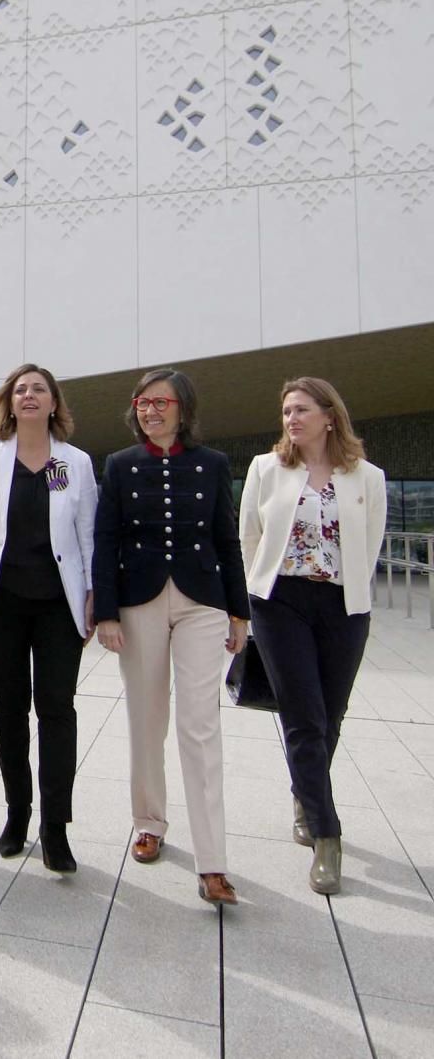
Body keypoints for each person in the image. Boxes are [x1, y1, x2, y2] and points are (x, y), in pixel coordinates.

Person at [92, 369, 250, 907]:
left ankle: (213, 863)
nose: (150, 410)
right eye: (142, 402)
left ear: (183, 408)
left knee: (199, 724)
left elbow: (227, 541)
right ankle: (149, 822)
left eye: (161, 401)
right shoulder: (118, 465)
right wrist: (107, 613)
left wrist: (239, 612)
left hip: (202, 601)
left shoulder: (213, 464)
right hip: (139, 602)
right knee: (146, 717)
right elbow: (105, 540)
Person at [239, 377, 386, 896]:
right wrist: (251, 602)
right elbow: (250, 537)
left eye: (301, 410)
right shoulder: (266, 468)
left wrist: (351, 601)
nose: (291, 419)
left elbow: (369, 546)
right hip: (281, 603)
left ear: (330, 415)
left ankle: (306, 796)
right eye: (285, 412)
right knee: (303, 719)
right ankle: (328, 837)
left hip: (343, 607)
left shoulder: (368, 477)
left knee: (330, 717)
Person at [0, 364, 97, 870]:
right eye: (20, 389)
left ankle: (55, 826)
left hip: (56, 606)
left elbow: (87, 531)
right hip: (0, 603)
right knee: (8, 709)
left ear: (52, 403)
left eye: (38, 389)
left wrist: (93, 595)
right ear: (8, 401)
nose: (29, 396)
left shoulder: (73, 462)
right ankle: (16, 812)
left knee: (57, 710)